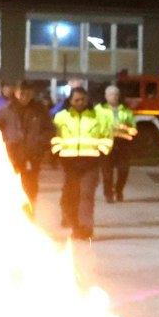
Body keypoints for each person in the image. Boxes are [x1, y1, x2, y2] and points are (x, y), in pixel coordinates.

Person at [51, 83, 113, 241]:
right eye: (77, 100)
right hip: (70, 163)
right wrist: (57, 152)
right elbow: (55, 136)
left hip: (90, 162)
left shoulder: (97, 116)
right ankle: (75, 226)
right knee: (69, 198)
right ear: (70, 101)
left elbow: (107, 135)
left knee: (86, 195)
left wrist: (101, 151)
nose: (80, 103)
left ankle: (86, 228)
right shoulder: (61, 117)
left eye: (83, 99)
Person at [0, 79, 55, 212]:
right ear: (16, 92)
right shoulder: (6, 110)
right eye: (21, 93)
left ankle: (29, 215)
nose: (24, 97)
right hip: (12, 157)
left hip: (32, 157)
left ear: (32, 94)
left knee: (30, 189)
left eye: (27, 94)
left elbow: (50, 130)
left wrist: (39, 143)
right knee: (11, 190)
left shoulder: (40, 110)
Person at [97, 84, 138, 202]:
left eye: (116, 94)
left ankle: (119, 190)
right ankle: (108, 194)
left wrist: (127, 130)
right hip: (106, 143)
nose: (114, 96)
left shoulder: (126, 111)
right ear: (106, 96)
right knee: (107, 172)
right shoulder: (98, 110)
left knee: (123, 170)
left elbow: (133, 127)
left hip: (122, 144)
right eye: (111, 94)